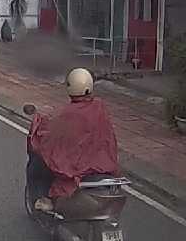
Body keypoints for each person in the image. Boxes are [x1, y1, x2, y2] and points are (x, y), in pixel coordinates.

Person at [27, 68, 120, 213]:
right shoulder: (99, 107)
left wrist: (40, 128)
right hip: (99, 163)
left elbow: (54, 135)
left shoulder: (70, 112)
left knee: (41, 162)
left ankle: (47, 200)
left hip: (78, 166)